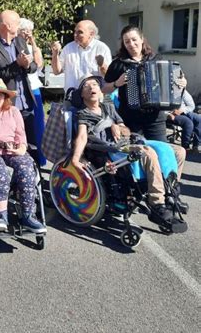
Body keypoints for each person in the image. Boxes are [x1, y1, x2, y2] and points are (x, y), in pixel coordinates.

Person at [71, 75, 186, 225]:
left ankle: (171, 193)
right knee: (147, 152)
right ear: (82, 94)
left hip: (129, 140)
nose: (91, 87)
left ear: (100, 91)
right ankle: (157, 202)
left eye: (95, 84)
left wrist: (116, 125)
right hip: (112, 148)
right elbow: (81, 137)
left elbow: (125, 129)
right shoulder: (83, 113)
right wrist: (75, 158)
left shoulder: (108, 106)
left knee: (179, 151)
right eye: (86, 86)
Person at [0, 78, 45, 233]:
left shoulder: (14, 111)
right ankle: (1, 216)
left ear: (5, 97)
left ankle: (28, 215)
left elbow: (21, 134)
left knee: (26, 168)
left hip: (12, 150)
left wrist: (22, 149)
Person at [0, 10, 37, 146]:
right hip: (7, 104)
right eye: (17, 23)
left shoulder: (20, 41)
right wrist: (17, 65)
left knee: (31, 144)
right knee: (11, 144)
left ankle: (34, 167)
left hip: (26, 103)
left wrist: (28, 64)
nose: (19, 27)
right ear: (7, 26)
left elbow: (34, 67)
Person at [51, 20, 112, 92]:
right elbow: (56, 71)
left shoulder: (102, 48)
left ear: (91, 34)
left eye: (80, 32)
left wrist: (102, 65)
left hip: (94, 97)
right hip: (72, 97)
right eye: (75, 31)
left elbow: (109, 76)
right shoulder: (68, 48)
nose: (75, 35)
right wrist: (55, 54)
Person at [18, 18, 46, 165]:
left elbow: (39, 63)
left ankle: (40, 157)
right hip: (21, 88)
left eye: (29, 30)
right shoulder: (15, 46)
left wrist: (33, 41)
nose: (27, 33)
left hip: (34, 88)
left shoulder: (32, 47)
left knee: (38, 123)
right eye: (24, 30)